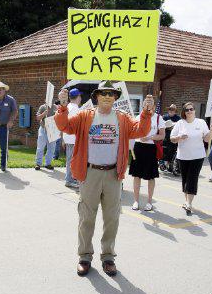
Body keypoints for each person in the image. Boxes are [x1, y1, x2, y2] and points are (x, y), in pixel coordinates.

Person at [55, 82, 154, 277]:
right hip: (90, 173)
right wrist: (63, 107)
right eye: (103, 93)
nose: (107, 96)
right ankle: (84, 257)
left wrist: (146, 113)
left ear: (115, 98)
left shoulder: (122, 117)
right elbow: (64, 126)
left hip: (113, 175)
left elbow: (141, 131)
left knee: (112, 218)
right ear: (97, 96)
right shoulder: (85, 116)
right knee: (86, 217)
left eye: (111, 94)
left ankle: (108, 257)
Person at [170, 102, 211, 215]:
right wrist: (179, 137)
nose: (189, 111)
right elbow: (172, 139)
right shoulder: (180, 123)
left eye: (191, 109)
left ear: (194, 110)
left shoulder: (201, 122)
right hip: (183, 156)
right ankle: (187, 201)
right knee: (185, 179)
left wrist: (211, 132)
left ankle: (189, 203)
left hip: (197, 156)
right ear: (184, 112)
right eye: (187, 110)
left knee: (192, 178)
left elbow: (206, 139)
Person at [129, 95, 165, 212]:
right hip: (139, 147)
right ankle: (136, 201)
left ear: (154, 105)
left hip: (151, 148)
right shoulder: (138, 116)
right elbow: (133, 131)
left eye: (150, 102)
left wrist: (149, 137)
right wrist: (138, 135)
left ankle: (149, 202)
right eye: (146, 102)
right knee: (136, 175)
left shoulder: (158, 118)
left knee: (151, 176)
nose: (148, 104)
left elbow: (162, 135)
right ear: (143, 104)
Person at [63, 88, 82, 188]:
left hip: (69, 137)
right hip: (73, 138)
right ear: (77, 97)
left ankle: (71, 178)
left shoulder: (68, 107)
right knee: (71, 160)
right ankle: (69, 180)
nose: (81, 98)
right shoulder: (75, 109)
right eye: (80, 96)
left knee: (70, 159)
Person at [34, 101, 57, 170]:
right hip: (43, 129)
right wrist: (44, 113)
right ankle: (38, 163)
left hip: (52, 130)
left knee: (51, 148)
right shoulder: (43, 107)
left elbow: (59, 118)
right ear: (46, 99)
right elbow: (38, 118)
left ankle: (48, 163)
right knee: (40, 147)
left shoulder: (55, 107)